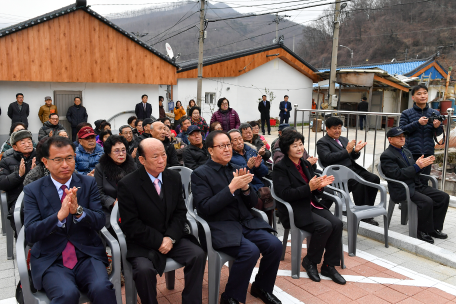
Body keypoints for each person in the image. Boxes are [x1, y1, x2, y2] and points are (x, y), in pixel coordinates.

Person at [23, 136, 117, 304]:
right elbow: (30, 233)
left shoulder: (88, 183)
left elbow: (100, 221)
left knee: (102, 288)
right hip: (52, 259)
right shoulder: (33, 190)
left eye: (69, 158)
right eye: (58, 160)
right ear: (45, 161)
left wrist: (78, 211)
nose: (65, 165)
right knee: (66, 294)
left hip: (86, 254)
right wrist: (59, 216)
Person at [192, 131, 282, 304]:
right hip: (219, 226)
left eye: (228, 145)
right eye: (222, 146)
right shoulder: (200, 174)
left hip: (245, 222)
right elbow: (205, 208)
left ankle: (261, 287)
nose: (227, 149)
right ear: (210, 150)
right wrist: (231, 188)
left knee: (275, 245)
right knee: (250, 251)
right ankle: (230, 297)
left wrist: (247, 189)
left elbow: (253, 203)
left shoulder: (236, 168)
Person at [118, 138, 206, 304]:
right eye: (155, 157)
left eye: (164, 155)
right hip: (142, 241)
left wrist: (170, 238)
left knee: (198, 255)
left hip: (171, 236)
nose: (161, 160)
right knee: (144, 271)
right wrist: (159, 241)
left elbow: (180, 212)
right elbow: (131, 224)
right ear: (142, 160)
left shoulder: (172, 177)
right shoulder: (128, 184)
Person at [273, 131, 345, 285]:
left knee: (337, 223)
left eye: (301, 144)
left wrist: (319, 187)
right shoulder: (280, 167)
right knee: (325, 226)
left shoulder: (305, 163)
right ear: (286, 149)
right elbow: (284, 194)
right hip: (294, 210)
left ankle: (328, 265)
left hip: (310, 204)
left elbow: (313, 189)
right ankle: (310, 261)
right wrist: (309, 187)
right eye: (295, 146)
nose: (300, 149)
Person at [380, 127, 449, 244]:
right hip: (402, 188)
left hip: (415, 185)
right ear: (390, 139)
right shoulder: (387, 155)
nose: (402, 138)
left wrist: (420, 165)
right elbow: (397, 174)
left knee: (443, 197)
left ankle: (433, 229)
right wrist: (417, 166)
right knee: (427, 201)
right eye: (398, 136)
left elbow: (412, 169)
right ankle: (421, 231)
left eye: (403, 136)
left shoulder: (406, 151)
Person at [317, 117, 380, 226]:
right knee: (359, 182)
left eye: (339, 128)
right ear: (327, 129)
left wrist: (355, 151)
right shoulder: (322, 142)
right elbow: (327, 158)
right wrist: (347, 151)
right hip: (338, 173)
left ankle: (367, 208)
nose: (337, 130)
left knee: (374, 179)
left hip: (352, 169)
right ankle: (363, 215)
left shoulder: (343, 139)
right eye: (334, 128)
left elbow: (351, 157)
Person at [399, 84, 444, 180]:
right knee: (411, 178)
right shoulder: (406, 113)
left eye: (425, 93)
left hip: (428, 151)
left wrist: (437, 127)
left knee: (424, 179)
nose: (423, 96)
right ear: (413, 97)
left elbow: (438, 133)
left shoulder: (435, 113)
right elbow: (401, 130)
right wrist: (417, 123)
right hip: (411, 152)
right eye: (419, 94)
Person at [95, 135, 137, 228]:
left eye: (123, 150)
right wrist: (113, 203)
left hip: (131, 205)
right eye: (116, 151)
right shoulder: (100, 168)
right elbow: (98, 192)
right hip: (109, 207)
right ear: (109, 153)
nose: (121, 154)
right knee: (113, 226)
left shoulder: (133, 166)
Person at [0, 130, 36, 232]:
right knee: (22, 212)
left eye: (29, 141)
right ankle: (24, 242)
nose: (27, 144)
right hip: (18, 197)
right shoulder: (6, 161)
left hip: (39, 195)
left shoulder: (40, 158)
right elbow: (2, 183)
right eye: (23, 142)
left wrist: (35, 173)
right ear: (15, 147)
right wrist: (19, 174)